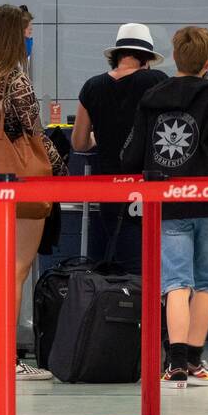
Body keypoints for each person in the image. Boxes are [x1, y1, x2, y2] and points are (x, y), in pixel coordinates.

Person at [120, 26, 208, 389]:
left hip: (167, 205)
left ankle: (172, 364)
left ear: (175, 57)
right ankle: (193, 362)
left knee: (175, 284)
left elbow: (130, 156)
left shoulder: (152, 96)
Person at [0, 4, 67, 381]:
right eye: (28, 31)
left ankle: (3, 357)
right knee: (18, 270)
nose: (31, 36)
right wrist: (62, 166)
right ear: (15, 34)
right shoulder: (18, 79)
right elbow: (35, 133)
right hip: (25, 180)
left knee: (5, 270)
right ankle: (9, 360)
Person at [71, 24, 167, 271]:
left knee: (122, 262)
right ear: (146, 58)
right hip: (149, 183)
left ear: (116, 54)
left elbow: (79, 143)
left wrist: (100, 137)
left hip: (109, 187)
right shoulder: (157, 81)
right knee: (155, 263)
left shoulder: (92, 86)